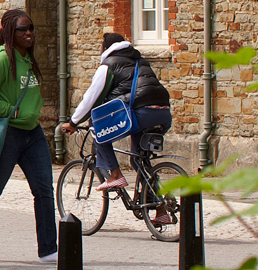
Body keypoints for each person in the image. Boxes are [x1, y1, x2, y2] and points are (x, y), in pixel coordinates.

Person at [0, 10, 58, 262]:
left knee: (43, 190)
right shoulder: (1, 62)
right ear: (10, 32)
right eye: (22, 29)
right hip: (8, 134)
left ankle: (49, 250)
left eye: (31, 28)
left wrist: (34, 111)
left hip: (33, 134)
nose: (29, 33)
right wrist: (11, 110)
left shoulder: (28, 59)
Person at [60, 32, 173, 203]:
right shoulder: (140, 61)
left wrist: (74, 122)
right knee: (139, 160)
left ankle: (115, 174)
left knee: (97, 129)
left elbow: (91, 97)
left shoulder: (109, 65)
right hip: (162, 113)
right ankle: (159, 207)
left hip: (141, 114)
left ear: (104, 48)